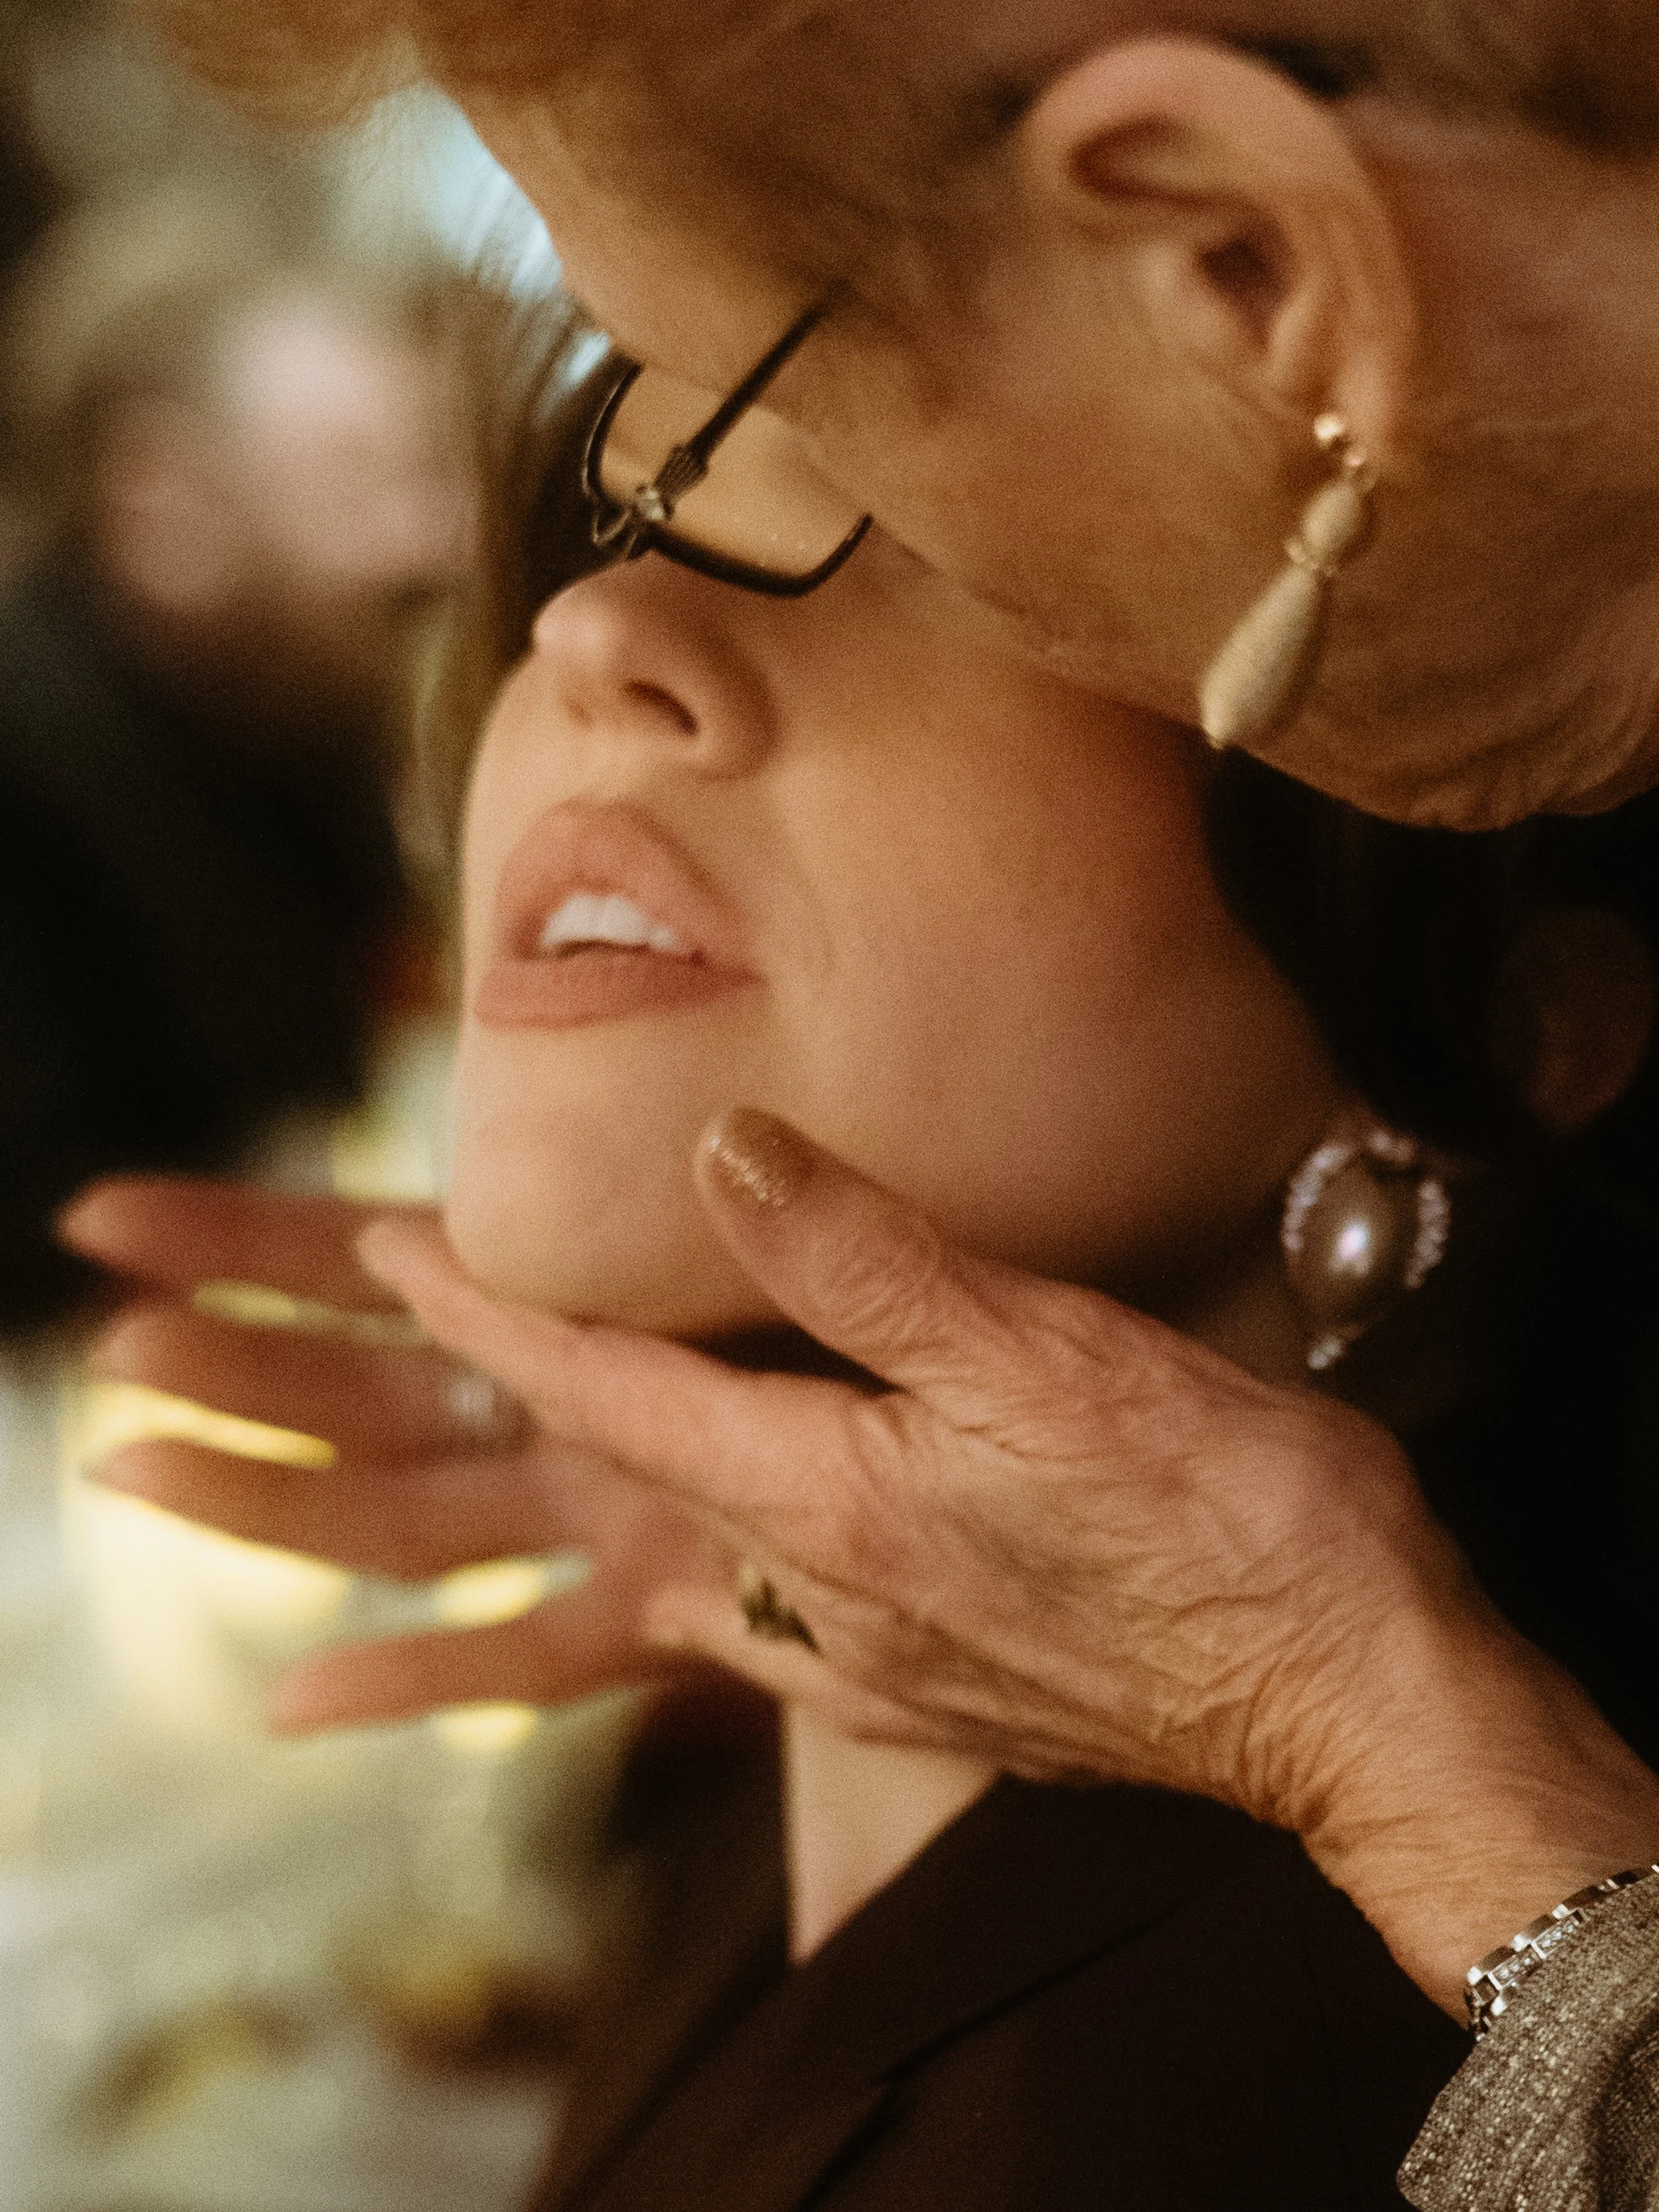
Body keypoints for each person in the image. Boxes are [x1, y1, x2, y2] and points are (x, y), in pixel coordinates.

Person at [68, 2, 1659, 2200]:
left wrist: (1401, 1759)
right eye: (612, 515)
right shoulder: (782, 1809)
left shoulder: (1266, 2085)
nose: (588, 642)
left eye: (849, 483)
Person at [0, 190, 474, 1326]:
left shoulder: (300, 724)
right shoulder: (28, 765)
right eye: (361, 478)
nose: (438, 541)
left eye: (436, 474)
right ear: (158, 498)